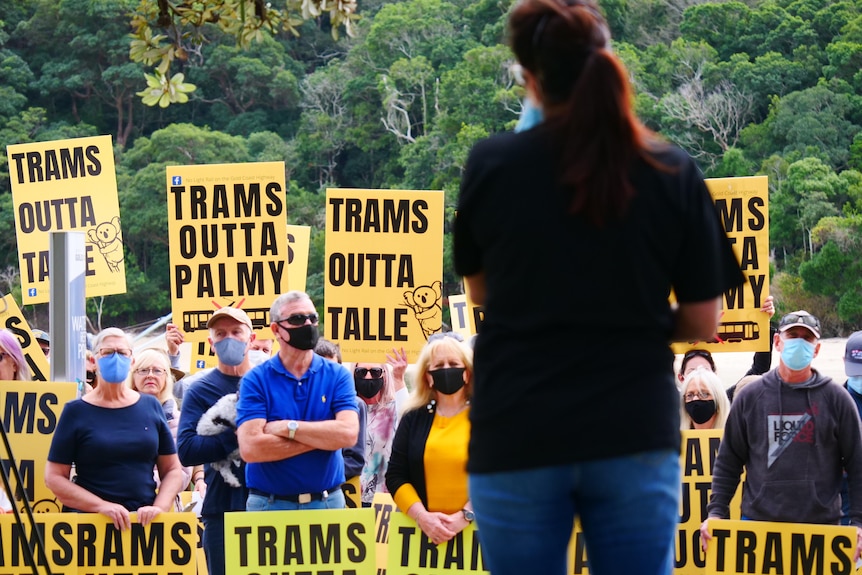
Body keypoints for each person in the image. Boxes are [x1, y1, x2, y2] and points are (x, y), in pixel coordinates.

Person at [452, 1, 744, 573]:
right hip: (631, 426)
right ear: (607, 61)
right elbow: (703, 321)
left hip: (518, 431)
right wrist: (632, 321)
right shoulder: (670, 169)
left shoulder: (492, 163)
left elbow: (482, 293)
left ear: (528, 76)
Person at [701, 311, 862, 560]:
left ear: (816, 349)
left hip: (822, 532)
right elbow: (728, 462)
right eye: (792, 335)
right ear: (777, 342)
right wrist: (716, 513)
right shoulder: (749, 398)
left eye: (807, 338)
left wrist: (858, 523)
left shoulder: (837, 400)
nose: (799, 342)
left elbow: (857, 465)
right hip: (759, 530)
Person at [44, 328, 184, 530]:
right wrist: (101, 506)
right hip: (91, 526)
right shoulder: (75, 411)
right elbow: (54, 477)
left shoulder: (151, 407)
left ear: (132, 361)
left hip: (143, 524)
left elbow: (172, 469)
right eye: (108, 353)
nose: (115, 358)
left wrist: (159, 508)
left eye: (122, 352)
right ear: (93, 361)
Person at [236, 291, 359, 511]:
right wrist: (324, 439)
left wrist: (288, 427)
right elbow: (251, 448)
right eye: (297, 319)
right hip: (269, 505)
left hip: (327, 503)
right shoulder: (255, 380)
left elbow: (348, 434)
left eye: (313, 318)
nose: (308, 324)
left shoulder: (338, 375)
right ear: (276, 329)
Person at [177, 307, 256, 575]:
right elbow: (186, 450)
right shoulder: (199, 390)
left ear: (251, 338)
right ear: (211, 344)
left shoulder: (269, 383)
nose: (229, 339)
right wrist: (233, 437)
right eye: (220, 334)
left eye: (236, 332)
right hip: (222, 508)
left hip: (270, 503)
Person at [386, 336, 474, 545]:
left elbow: (497, 476)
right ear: (428, 377)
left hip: (476, 537)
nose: (446, 369)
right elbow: (396, 475)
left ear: (467, 373)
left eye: (453, 364)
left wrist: (465, 516)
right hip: (421, 538)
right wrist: (423, 518)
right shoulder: (413, 417)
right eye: (439, 365)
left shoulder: (486, 418)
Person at [129, 348, 194, 498]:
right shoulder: (117, 414)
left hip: (164, 507)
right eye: (144, 370)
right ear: (133, 377)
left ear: (167, 378)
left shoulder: (180, 420)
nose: (150, 375)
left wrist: (140, 484)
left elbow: (182, 474)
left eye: (157, 371)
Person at [354, 348, 409, 506]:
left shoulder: (394, 407)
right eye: (361, 372)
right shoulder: (345, 410)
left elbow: (408, 421)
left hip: (386, 499)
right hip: (352, 497)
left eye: (375, 372)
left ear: (384, 375)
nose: (368, 377)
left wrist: (399, 378)